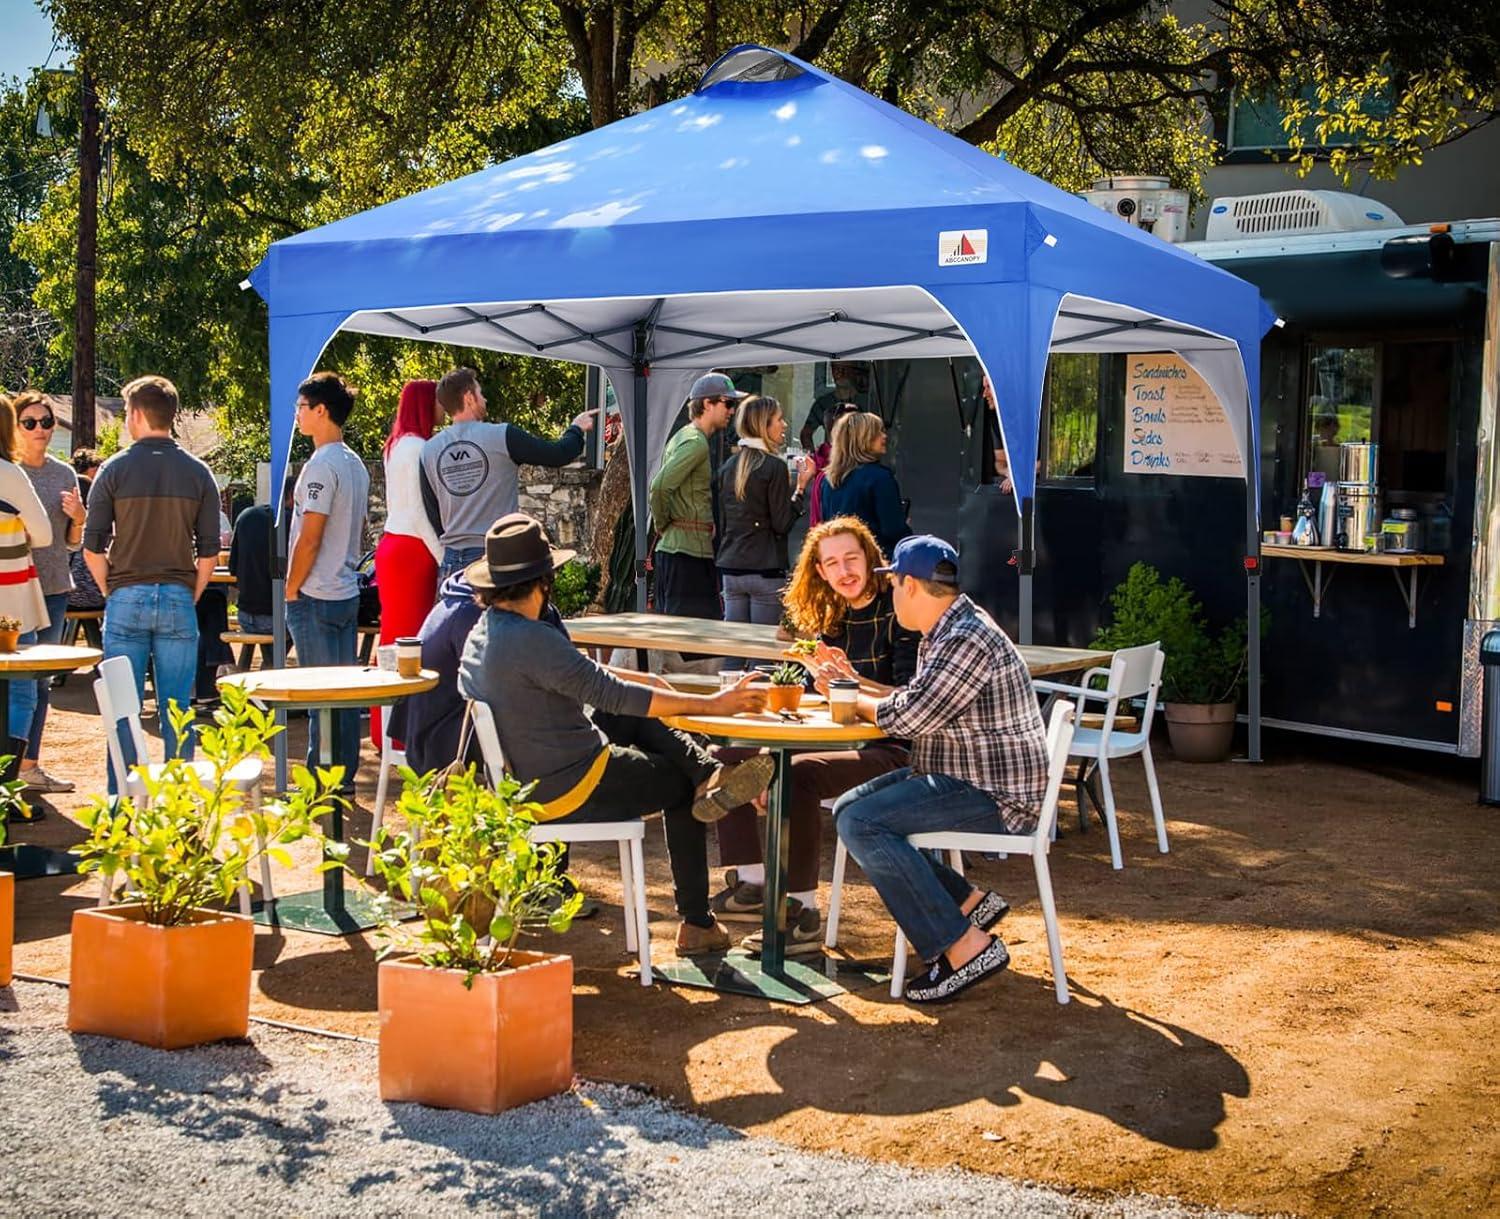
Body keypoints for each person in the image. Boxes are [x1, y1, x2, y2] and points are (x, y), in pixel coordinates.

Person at [458, 513, 777, 955]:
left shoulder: (486, 632)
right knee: (682, 787)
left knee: (632, 719)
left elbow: (585, 676)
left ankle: (707, 769)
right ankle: (697, 923)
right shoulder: (534, 639)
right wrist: (711, 705)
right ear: (545, 580)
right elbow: (609, 693)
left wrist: (654, 684)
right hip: (571, 784)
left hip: (525, 781)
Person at [832, 534, 1048, 1003]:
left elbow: (910, 719)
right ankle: (968, 903)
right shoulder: (952, 627)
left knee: (860, 822)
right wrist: (850, 685)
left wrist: (849, 699)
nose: (890, 594)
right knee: (850, 808)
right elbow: (915, 702)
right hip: (970, 776)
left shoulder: (964, 638)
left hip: (996, 795)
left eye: (893, 585)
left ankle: (964, 947)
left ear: (909, 585)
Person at [712, 516, 919, 955]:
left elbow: (908, 699)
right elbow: (814, 694)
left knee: (798, 777)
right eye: (833, 563)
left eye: (852, 559)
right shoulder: (832, 614)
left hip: (895, 748)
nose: (845, 571)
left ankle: (800, 914)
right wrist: (775, 725)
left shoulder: (901, 609)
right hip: (840, 736)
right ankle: (751, 884)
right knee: (726, 754)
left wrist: (849, 683)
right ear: (819, 571)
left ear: (870, 558)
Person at [84, 375, 220, 786]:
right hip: (179, 596)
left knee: (123, 710)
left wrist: (113, 589)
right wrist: (189, 593)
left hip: (126, 594)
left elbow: (92, 548)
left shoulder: (113, 469)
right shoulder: (199, 472)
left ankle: (122, 808)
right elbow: (209, 552)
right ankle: (178, 812)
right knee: (177, 710)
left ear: (138, 414)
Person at [420, 366, 595, 580]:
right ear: (469, 398)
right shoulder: (502, 436)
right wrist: (576, 428)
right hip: (495, 559)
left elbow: (432, 511)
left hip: (451, 563)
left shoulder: (428, 451)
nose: (484, 400)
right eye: (480, 393)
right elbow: (557, 454)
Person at [284, 371, 370, 787]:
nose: (297, 415)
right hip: (344, 588)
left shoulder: (322, 465)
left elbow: (310, 535)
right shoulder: (353, 463)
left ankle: (322, 780)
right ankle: (344, 776)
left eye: (301, 407)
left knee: (320, 693)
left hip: (316, 591)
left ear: (321, 410)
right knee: (344, 692)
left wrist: (290, 586)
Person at [11, 391, 84, 793]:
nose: (40, 429)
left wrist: (79, 518)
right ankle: (13, 774)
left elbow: (72, 543)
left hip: (55, 588)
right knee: (20, 684)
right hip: (15, 593)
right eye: (30, 423)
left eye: (46, 422)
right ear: (16, 428)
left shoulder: (64, 474)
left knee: (40, 684)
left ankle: (29, 765)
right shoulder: (9, 474)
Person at [374, 379, 442, 747]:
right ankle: (404, 735)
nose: (442, 410)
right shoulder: (420, 447)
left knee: (392, 639)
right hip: (414, 550)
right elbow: (419, 513)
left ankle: (386, 729)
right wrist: (442, 555)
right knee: (413, 645)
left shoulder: (396, 445)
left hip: (392, 546)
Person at [648, 371, 743, 621]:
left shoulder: (686, 436)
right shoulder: (695, 443)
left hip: (684, 550)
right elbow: (659, 487)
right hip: (686, 554)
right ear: (708, 404)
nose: (732, 411)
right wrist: (664, 524)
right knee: (691, 637)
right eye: (728, 403)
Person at [715, 394, 813, 632]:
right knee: (762, 651)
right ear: (764, 425)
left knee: (734, 651)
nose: (784, 425)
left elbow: (721, 521)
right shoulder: (774, 466)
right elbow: (782, 523)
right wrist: (800, 489)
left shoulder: (729, 467)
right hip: (765, 569)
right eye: (779, 419)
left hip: (731, 567)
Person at [817, 411, 909, 559]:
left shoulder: (829, 481)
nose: (884, 436)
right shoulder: (880, 478)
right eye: (878, 432)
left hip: (841, 561)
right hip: (876, 563)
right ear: (864, 439)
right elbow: (893, 530)